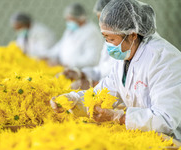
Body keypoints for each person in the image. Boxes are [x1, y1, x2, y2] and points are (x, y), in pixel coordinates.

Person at [51, 0, 181, 141]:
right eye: (105, 38)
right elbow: (102, 93)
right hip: (143, 134)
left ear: (132, 35)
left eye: (111, 39)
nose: (108, 45)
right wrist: (73, 100)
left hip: (171, 138)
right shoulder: (125, 58)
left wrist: (118, 117)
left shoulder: (163, 59)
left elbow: (166, 119)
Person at [63, 0, 114, 90]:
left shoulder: (125, 47)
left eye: (105, 22)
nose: (102, 26)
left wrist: (94, 84)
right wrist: (81, 74)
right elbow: (101, 70)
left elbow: (119, 81)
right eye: (100, 21)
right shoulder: (109, 41)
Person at [47, 3, 103, 69]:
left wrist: (70, 64)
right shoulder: (70, 30)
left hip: (82, 73)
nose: (68, 22)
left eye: (71, 19)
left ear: (81, 18)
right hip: (66, 69)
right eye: (67, 19)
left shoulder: (92, 32)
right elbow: (61, 46)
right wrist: (47, 55)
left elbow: (92, 59)